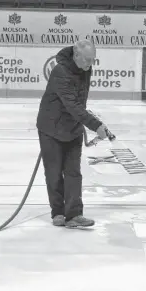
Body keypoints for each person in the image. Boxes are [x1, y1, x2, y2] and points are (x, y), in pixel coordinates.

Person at [36, 40, 111, 228]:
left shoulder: (85, 68)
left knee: (73, 173)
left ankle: (74, 214)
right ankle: (58, 212)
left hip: (73, 127)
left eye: (93, 60)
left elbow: (80, 101)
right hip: (51, 128)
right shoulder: (60, 72)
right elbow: (72, 104)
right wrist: (95, 125)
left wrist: (84, 123)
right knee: (53, 173)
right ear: (76, 55)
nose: (90, 64)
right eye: (87, 60)